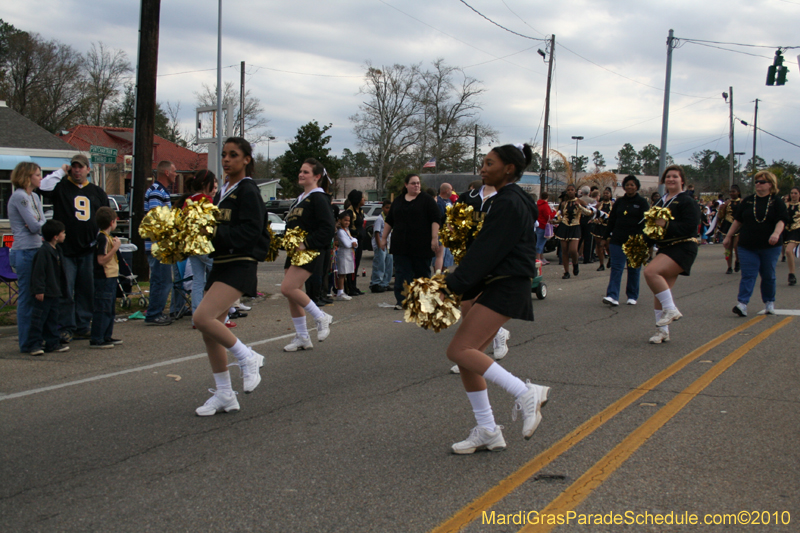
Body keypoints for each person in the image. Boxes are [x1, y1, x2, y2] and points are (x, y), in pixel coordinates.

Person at [443, 143, 549, 454]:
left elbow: (488, 251)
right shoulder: (505, 200)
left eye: (490, 163)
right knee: (468, 357)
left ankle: (525, 392)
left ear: (509, 169)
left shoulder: (509, 203)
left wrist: (453, 284)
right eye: (483, 162)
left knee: (459, 350)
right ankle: (488, 430)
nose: (483, 168)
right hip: (498, 282)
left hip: (506, 284)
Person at [194, 137, 267, 416]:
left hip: (240, 264)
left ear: (246, 159)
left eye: (234, 155)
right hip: (222, 263)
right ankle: (225, 394)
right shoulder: (223, 191)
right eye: (224, 154)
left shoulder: (247, 190)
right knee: (210, 333)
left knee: (202, 318)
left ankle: (248, 357)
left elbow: (251, 231)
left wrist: (214, 234)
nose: (226, 159)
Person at [40, 155, 109, 343]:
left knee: (86, 290)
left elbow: (105, 218)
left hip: (88, 249)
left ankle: (82, 325)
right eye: (74, 167)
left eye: (81, 167)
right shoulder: (61, 187)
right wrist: (61, 171)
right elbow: (43, 186)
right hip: (66, 249)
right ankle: (66, 326)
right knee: (66, 290)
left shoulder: (96, 192)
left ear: (88, 169)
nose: (77, 170)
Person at [448, 176, 510, 373]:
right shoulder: (468, 197)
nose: (486, 170)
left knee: (483, 303)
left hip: (494, 260)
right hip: (470, 258)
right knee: (466, 304)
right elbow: (452, 223)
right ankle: (494, 335)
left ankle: (471, 354)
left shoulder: (506, 198)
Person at [280, 158, 336, 352]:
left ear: (317, 177)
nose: (301, 174)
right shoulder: (300, 198)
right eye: (300, 171)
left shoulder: (319, 198)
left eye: (306, 172)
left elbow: (328, 228)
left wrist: (307, 243)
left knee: (288, 288)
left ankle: (321, 317)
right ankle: (303, 337)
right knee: (292, 295)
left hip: (309, 252)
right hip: (295, 252)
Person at [643, 165, 701, 344]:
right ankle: (662, 331)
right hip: (665, 248)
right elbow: (652, 226)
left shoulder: (687, 201)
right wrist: (644, 243)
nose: (671, 179)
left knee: (651, 272)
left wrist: (666, 225)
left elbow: (691, 228)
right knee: (660, 291)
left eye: (675, 176)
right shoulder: (661, 201)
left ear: (682, 180)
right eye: (668, 176)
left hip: (683, 247)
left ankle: (671, 309)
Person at [723, 171, 789, 317]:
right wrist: (728, 237)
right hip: (747, 245)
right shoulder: (747, 201)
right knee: (748, 274)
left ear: (770, 184)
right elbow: (738, 221)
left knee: (768, 275)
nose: (758, 184)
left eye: (762, 182)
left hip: (770, 246)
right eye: (756, 182)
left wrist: (776, 233)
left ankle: (769, 302)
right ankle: (742, 304)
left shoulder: (776, 201)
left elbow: (782, 220)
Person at [378, 174, 441, 310]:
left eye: (418, 183)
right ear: (406, 185)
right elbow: (390, 221)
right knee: (402, 273)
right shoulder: (399, 201)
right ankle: (402, 300)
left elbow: (436, 219)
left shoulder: (427, 200)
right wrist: (383, 239)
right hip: (401, 244)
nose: (416, 185)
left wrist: (434, 238)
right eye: (413, 183)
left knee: (422, 273)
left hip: (422, 244)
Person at [7, 162, 46, 353]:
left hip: (37, 248)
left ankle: (37, 337)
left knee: (39, 296)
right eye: (37, 175)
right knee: (27, 297)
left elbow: (42, 222)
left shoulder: (35, 197)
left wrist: (39, 223)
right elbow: (34, 224)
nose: (40, 178)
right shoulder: (20, 197)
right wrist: (38, 223)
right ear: (27, 176)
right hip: (24, 251)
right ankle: (27, 342)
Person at [177, 169, 218, 319]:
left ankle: (197, 316)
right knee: (219, 278)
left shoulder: (189, 200)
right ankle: (220, 316)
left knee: (198, 282)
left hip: (191, 246)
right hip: (205, 245)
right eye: (212, 183)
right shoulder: (205, 200)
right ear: (205, 184)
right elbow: (209, 225)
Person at [603, 176, 649, 307]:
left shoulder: (642, 202)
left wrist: (641, 237)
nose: (630, 187)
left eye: (632, 185)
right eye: (627, 185)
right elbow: (612, 220)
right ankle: (612, 296)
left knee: (633, 268)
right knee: (616, 268)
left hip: (635, 240)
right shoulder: (619, 202)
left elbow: (646, 222)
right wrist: (605, 237)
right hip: (618, 239)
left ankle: (632, 295)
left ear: (637, 187)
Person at [143, 161, 178, 326]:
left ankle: (156, 311)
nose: (176, 174)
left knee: (162, 280)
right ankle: (154, 314)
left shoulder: (161, 191)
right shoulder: (157, 192)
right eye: (174, 171)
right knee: (161, 280)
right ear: (165, 172)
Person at [28, 220, 69, 355]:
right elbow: (38, 272)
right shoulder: (43, 252)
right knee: (39, 319)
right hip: (45, 292)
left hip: (54, 291)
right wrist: (39, 290)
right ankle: (34, 344)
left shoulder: (58, 251)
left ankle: (52, 342)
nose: (65, 235)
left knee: (52, 319)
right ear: (55, 236)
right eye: (63, 233)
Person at [90, 206, 121, 349]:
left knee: (109, 308)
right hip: (104, 276)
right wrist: (115, 248)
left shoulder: (108, 237)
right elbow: (101, 260)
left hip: (111, 276)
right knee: (102, 307)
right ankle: (97, 337)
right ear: (111, 222)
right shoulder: (102, 238)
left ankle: (106, 335)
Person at [553, 184, 591, 279]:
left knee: (573, 250)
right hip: (564, 227)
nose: (570, 191)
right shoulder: (563, 204)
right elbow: (561, 217)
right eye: (568, 190)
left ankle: (575, 263)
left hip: (575, 226)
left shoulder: (580, 201)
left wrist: (580, 207)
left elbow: (589, 212)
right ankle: (566, 272)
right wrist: (554, 221)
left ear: (575, 191)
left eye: (572, 190)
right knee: (564, 250)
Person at [344, 189, 366, 296]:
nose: (364, 199)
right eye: (362, 197)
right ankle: (349, 287)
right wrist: (356, 233)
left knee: (356, 264)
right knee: (351, 264)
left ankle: (354, 286)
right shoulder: (349, 212)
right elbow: (346, 227)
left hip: (359, 241)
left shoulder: (360, 211)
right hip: (352, 242)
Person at [718, 185, 743, 274]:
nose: (732, 193)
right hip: (727, 226)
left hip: (739, 226)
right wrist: (721, 209)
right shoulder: (727, 203)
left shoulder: (742, 202)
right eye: (730, 192)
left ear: (738, 192)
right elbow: (721, 216)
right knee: (728, 248)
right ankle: (729, 267)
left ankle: (738, 261)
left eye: (734, 191)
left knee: (737, 246)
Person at [369, 200, 393, 293]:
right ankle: (376, 283)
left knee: (388, 265)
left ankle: (385, 283)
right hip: (381, 245)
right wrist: (379, 246)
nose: (389, 210)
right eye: (387, 208)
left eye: (390, 208)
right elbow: (377, 233)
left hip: (388, 245)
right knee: (380, 265)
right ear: (383, 208)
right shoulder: (380, 219)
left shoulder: (390, 219)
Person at [334, 211, 357, 301]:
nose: (347, 222)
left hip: (348, 253)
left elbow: (353, 239)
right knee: (342, 273)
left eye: (348, 221)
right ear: (340, 220)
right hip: (343, 253)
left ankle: (342, 291)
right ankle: (340, 292)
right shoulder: (340, 231)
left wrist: (354, 242)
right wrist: (353, 243)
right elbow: (347, 243)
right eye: (345, 220)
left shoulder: (347, 230)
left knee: (345, 272)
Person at [434, 183, 455, 272]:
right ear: (446, 190)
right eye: (451, 189)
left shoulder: (449, 201)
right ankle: (437, 276)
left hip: (449, 235)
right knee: (439, 256)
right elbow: (440, 218)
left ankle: (443, 275)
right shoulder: (439, 202)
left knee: (447, 258)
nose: (452, 191)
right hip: (441, 233)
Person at [592, 188, 613, 271]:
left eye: (607, 193)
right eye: (604, 193)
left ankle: (611, 258)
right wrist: (595, 220)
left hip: (608, 228)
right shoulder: (598, 205)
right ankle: (601, 264)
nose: (605, 195)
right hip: (599, 227)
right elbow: (594, 215)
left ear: (610, 195)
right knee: (599, 245)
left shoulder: (613, 205)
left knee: (607, 246)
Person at [784, 187, 800, 286]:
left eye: (795, 193)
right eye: (791, 193)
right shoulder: (786, 205)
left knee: (788, 251)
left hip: (797, 230)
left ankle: (791, 274)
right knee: (789, 253)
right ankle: (792, 273)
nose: (793, 195)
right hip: (787, 230)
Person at [535, 191, 553, 265]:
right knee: (541, 243)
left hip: (538, 225)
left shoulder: (538, 204)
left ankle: (541, 258)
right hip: (544, 226)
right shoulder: (545, 205)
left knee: (539, 242)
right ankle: (538, 258)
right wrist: (554, 212)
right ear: (547, 197)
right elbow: (548, 216)